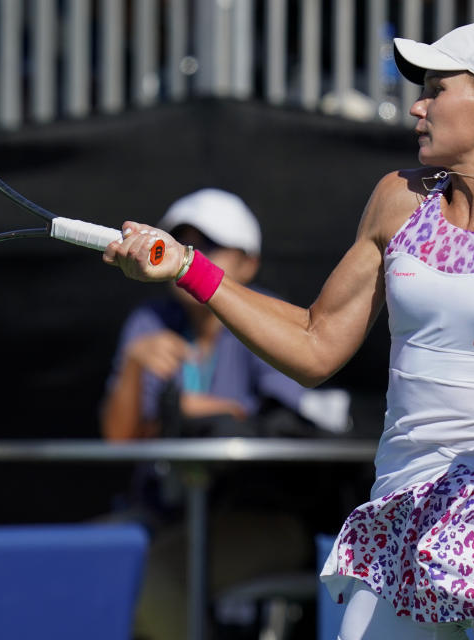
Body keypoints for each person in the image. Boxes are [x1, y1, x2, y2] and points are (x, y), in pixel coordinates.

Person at [104, 19, 474, 640]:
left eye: (436, 88)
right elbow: (316, 345)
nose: (418, 105)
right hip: (403, 521)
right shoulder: (397, 200)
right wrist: (188, 267)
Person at [101, 188, 351, 640]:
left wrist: (192, 411)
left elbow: (291, 423)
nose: (188, 256)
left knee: (154, 582)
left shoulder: (266, 316)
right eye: (182, 243)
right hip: (165, 513)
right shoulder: (148, 322)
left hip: (265, 516)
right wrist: (137, 370)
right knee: (80, 564)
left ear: (248, 263)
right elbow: (118, 442)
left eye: (207, 247)